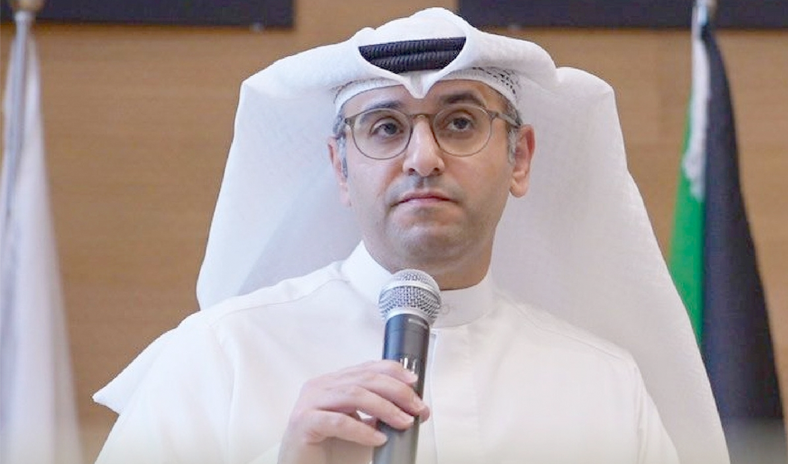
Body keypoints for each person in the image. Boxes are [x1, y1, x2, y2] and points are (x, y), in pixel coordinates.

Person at [94, 8, 730, 464]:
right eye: (386, 128)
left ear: (520, 158)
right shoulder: (220, 357)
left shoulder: (603, 387)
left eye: (460, 123)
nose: (423, 158)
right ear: (340, 167)